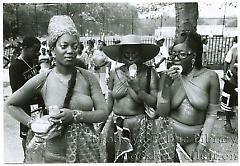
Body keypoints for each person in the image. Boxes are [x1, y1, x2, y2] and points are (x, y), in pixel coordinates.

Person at [5, 15, 108, 163]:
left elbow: (103, 113)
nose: (70, 51)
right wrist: (34, 124)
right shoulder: (44, 79)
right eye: (64, 46)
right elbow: (10, 104)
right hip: (54, 155)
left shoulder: (88, 77)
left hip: (87, 153)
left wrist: (75, 115)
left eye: (75, 46)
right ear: (53, 48)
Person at [102, 34, 175, 162]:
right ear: (121, 54)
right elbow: (109, 102)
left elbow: (154, 102)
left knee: (134, 160)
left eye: (134, 53)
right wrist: (101, 125)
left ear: (140, 54)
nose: (130, 56)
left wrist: (138, 89)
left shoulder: (149, 73)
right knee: (113, 158)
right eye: (127, 53)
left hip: (138, 124)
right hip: (116, 123)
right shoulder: (115, 73)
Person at [157, 31, 221, 162]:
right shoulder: (168, 76)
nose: (175, 58)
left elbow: (211, 115)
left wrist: (201, 146)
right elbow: (162, 113)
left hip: (195, 140)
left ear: (194, 56)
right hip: (167, 136)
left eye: (181, 54)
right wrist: (166, 88)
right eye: (173, 54)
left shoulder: (209, 77)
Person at [8, 36, 42, 161]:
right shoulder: (15, 66)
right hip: (25, 108)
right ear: (25, 48)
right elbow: (16, 92)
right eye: (35, 50)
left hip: (37, 107)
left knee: (39, 135)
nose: (38, 53)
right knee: (27, 136)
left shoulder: (33, 62)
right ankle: (27, 159)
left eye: (39, 50)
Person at [221, 36, 238, 133]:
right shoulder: (234, 50)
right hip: (232, 80)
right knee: (228, 101)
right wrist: (224, 74)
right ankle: (227, 122)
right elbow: (227, 63)